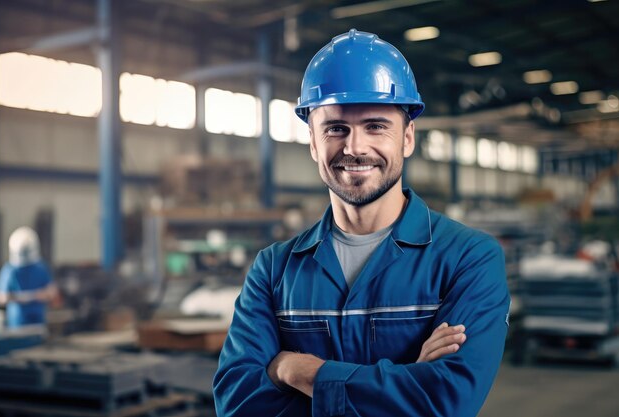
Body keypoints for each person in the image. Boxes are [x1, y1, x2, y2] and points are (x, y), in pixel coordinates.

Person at [213, 29, 510, 417]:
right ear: (313, 143)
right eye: (336, 128)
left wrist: (296, 370)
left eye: (375, 126)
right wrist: (405, 381)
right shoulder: (274, 270)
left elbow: (446, 401)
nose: (354, 147)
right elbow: (236, 403)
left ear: (407, 138)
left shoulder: (468, 259)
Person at [0, 227, 57, 329]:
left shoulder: (40, 268)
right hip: (17, 322)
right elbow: (1, 298)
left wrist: (34, 296)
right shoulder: (10, 270)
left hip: (38, 321)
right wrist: (21, 298)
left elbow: (52, 292)